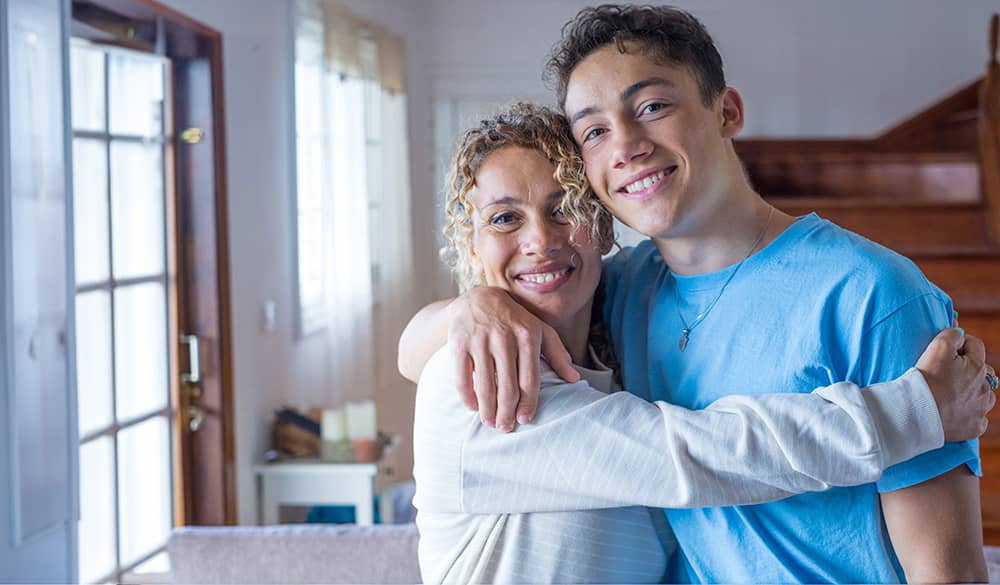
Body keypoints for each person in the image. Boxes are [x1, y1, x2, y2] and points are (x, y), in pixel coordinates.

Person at [401, 5, 997, 583]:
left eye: (653, 106)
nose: (626, 144)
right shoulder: (606, 305)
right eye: (595, 131)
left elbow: (947, 573)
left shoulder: (871, 293)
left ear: (727, 111)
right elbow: (686, 454)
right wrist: (471, 306)